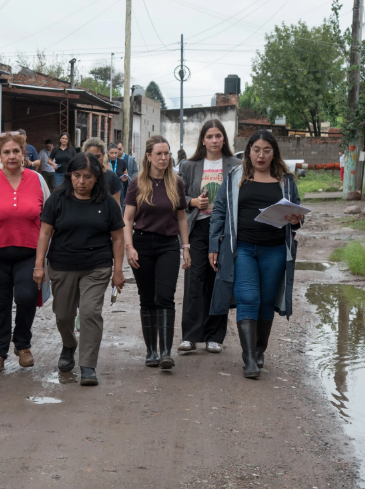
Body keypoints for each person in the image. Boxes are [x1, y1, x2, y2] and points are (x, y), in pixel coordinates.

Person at [207, 130, 303, 378]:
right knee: (248, 296)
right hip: (243, 249)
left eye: (267, 150)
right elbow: (219, 212)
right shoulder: (235, 176)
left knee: (266, 301)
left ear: (274, 153)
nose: (261, 155)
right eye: (257, 150)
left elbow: (297, 214)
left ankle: (260, 350)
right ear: (248, 151)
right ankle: (248, 357)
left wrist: (295, 220)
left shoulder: (286, 181)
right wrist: (214, 246)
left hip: (275, 250)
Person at [34, 153, 125, 386]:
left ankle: (87, 365)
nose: (81, 182)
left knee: (89, 313)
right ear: (69, 176)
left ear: (96, 179)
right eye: (77, 176)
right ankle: (69, 344)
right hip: (62, 265)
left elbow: (117, 238)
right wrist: (38, 266)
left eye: (87, 177)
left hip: (97, 266)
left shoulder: (106, 203)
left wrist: (117, 271)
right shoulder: (57, 199)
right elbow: (44, 233)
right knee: (63, 316)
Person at [0, 131, 50, 373]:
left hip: (30, 252)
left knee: (27, 297)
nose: (11, 156)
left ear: (23, 153)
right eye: (6, 152)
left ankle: (23, 344)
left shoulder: (37, 180)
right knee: (0, 303)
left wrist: (43, 260)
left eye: (16, 151)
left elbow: (48, 218)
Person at [123, 135, 191, 370]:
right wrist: (129, 247)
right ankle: (151, 351)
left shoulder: (176, 182)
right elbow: (128, 219)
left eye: (167, 153)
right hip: (142, 244)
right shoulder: (137, 183)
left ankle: (165, 352)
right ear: (149, 157)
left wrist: (186, 248)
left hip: (167, 245)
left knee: (165, 297)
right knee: (147, 298)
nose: (164, 158)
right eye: (159, 154)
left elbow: (182, 217)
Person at [178, 120, 242, 355]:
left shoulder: (236, 165)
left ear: (224, 139)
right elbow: (177, 197)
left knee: (219, 280)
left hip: (224, 231)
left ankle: (215, 336)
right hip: (197, 228)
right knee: (194, 279)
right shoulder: (189, 165)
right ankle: (190, 336)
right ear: (202, 140)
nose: (214, 140)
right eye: (209, 136)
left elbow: (240, 197)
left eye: (218, 136)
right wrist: (193, 201)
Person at [82, 137, 123, 207]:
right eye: (90, 156)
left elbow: (117, 207)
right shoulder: (78, 177)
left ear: (103, 155)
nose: (94, 159)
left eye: (97, 156)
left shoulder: (112, 177)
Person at [107, 142, 129, 209]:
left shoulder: (122, 162)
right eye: (111, 153)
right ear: (108, 152)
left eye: (116, 153)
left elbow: (126, 175)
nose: (114, 155)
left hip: (118, 190)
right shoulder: (105, 161)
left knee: (118, 207)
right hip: (107, 189)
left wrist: (125, 178)